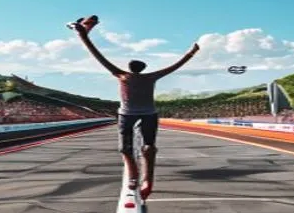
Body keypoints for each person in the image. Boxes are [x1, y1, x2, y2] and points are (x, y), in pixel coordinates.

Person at [71, 17, 200, 199]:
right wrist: (191, 53)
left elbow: (98, 56)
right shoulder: (148, 76)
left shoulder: (122, 75)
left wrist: (84, 36)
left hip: (130, 114)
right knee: (146, 147)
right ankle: (141, 176)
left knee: (131, 148)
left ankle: (135, 175)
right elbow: (175, 66)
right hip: (145, 114)